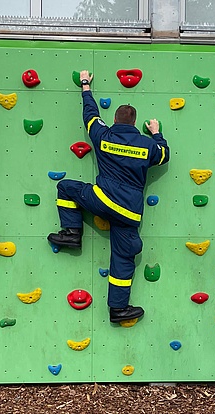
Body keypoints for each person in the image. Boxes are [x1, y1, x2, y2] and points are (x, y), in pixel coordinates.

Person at [48, 70, 170, 324]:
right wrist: (156, 133)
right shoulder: (147, 146)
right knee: (124, 256)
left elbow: (90, 116)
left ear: (114, 119)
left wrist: (85, 86)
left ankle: (71, 233)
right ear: (136, 123)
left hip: (102, 200)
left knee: (66, 188)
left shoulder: (104, 136)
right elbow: (164, 155)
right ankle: (118, 309)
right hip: (129, 212)